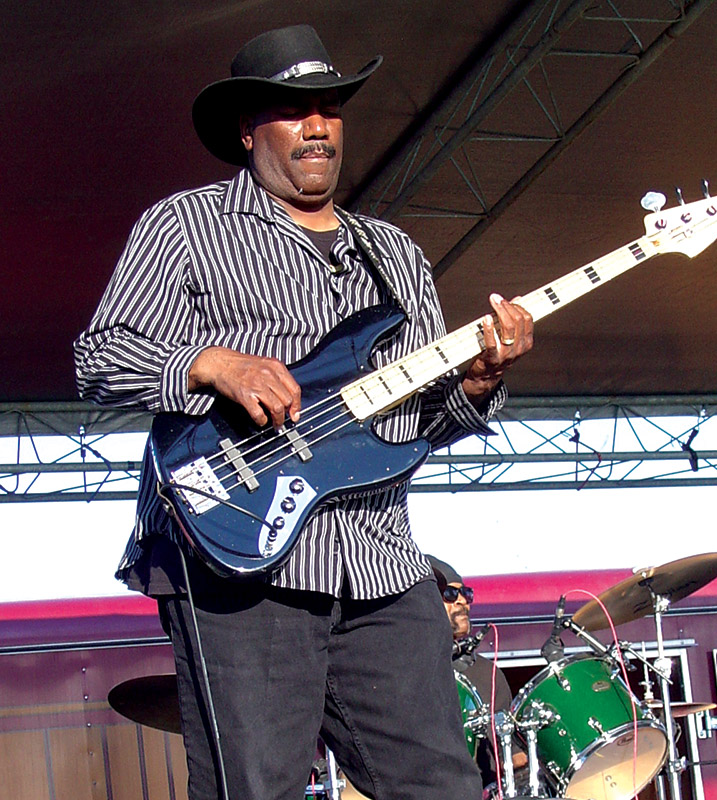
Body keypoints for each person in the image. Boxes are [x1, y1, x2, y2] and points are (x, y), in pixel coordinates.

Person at [74, 24, 534, 800]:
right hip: (240, 557)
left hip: (382, 562)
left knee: (442, 785)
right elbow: (100, 359)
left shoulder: (392, 253)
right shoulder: (185, 227)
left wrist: (481, 383)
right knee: (256, 788)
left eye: (331, 108)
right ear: (249, 129)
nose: (319, 126)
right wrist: (208, 363)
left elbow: (420, 426)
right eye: (295, 110)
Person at [426, 556, 528, 792]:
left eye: (466, 594)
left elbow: (510, 752)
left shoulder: (484, 673)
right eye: (450, 595)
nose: (463, 602)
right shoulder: (407, 668)